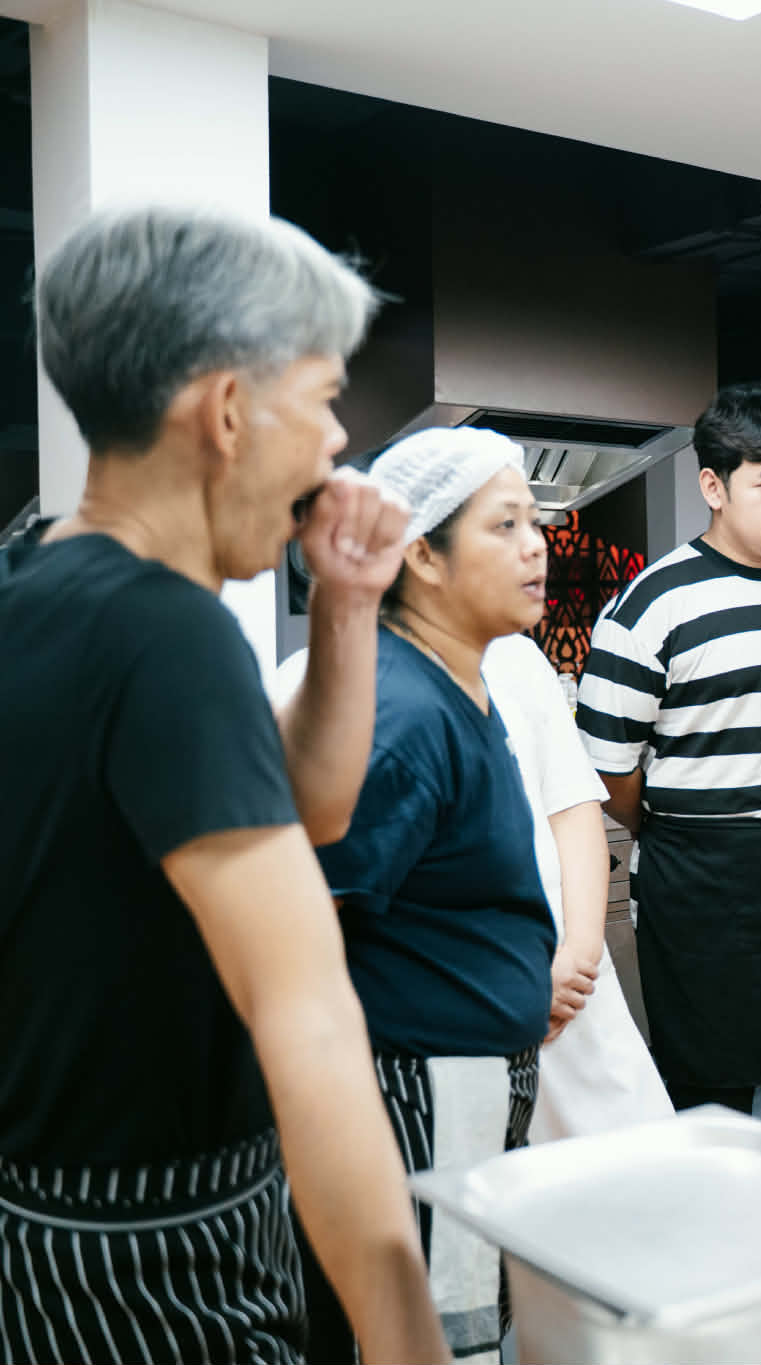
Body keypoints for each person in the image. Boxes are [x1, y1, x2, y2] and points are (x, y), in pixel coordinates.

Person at [0, 207, 446, 1362]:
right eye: (325, 398)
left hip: (43, 1226)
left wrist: (346, 603)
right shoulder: (166, 635)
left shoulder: (39, 581)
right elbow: (307, 1015)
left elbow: (309, 809)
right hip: (155, 1261)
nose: (337, 443)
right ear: (229, 411)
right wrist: (407, 1339)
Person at [296, 428, 561, 1362]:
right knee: (433, 1343)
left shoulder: (460, 683)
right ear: (422, 556)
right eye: (504, 525)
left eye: (535, 522)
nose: (536, 546)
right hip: (425, 1087)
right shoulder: (405, 714)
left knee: (464, 1321)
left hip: (473, 1080)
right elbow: (309, 930)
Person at [577, 386, 761, 1120]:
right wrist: (680, 828)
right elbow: (608, 767)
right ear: (713, 486)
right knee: (712, 1116)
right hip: (699, 890)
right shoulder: (651, 603)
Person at [273, 630, 673, 1146]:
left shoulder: (516, 657)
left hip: (573, 988)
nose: (534, 576)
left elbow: (573, 806)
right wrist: (518, 984)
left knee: (624, 1165)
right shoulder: (309, 680)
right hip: (454, 1008)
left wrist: (579, 955)